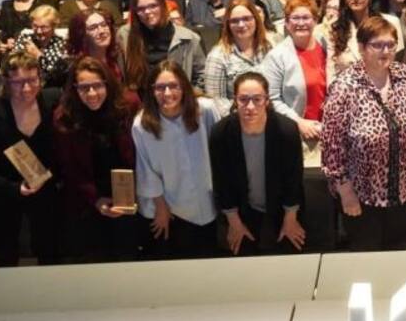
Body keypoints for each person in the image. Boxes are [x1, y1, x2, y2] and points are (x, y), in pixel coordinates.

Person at [322, 16, 406, 251]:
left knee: (402, 250)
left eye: (390, 44)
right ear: (362, 48)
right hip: (363, 196)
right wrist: (345, 191)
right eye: (377, 45)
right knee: (368, 257)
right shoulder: (344, 86)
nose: (385, 51)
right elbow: (332, 145)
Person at [0, 54, 62, 266]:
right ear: (6, 81)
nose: (26, 88)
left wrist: (54, 174)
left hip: (46, 191)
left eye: (32, 80)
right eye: (18, 82)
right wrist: (13, 188)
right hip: (3, 195)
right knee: (6, 255)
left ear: (40, 77)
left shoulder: (52, 103)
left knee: (50, 252)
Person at [52, 56, 143, 261]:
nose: (92, 93)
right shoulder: (64, 117)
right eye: (84, 88)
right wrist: (96, 200)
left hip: (129, 198)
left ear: (107, 84)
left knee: (128, 260)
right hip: (86, 201)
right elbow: (69, 169)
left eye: (97, 86)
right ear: (74, 89)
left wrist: (136, 195)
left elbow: (142, 155)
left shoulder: (129, 105)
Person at [210, 72, 307, 256]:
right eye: (243, 99)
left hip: (282, 209)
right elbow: (221, 182)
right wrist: (234, 222)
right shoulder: (221, 132)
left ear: (267, 101)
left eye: (257, 99)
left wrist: (290, 218)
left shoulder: (286, 130)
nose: (250, 107)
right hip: (240, 211)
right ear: (235, 100)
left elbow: (293, 179)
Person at [132, 61, 221, 259]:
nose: (167, 93)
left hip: (207, 201)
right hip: (170, 208)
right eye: (160, 87)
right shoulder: (143, 124)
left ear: (184, 86)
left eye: (173, 86)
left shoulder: (204, 110)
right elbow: (146, 171)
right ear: (151, 91)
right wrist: (161, 207)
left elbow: (220, 152)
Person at [262, 0, 327, 145]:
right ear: (286, 23)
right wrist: (298, 122)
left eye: (306, 18)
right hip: (297, 135)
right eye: (295, 18)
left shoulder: (326, 47)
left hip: (330, 131)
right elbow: (271, 98)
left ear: (315, 21)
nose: (301, 23)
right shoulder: (277, 56)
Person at [120, 0, 206, 92]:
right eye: (141, 9)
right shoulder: (125, 35)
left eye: (153, 6)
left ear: (163, 5)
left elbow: (201, 76)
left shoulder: (189, 38)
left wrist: (189, 98)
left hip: (176, 98)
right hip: (140, 98)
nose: (147, 12)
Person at [204, 0, 273, 113]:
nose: (241, 25)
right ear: (228, 24)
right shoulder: (217, 56)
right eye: (235, 21)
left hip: (269, 114)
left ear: (256, 19)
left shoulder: (269, 48)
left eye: (246, 19)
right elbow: (217, 101)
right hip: (236, 118)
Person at [13, 4, 67, 86]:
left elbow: (55, 74)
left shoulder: (61, 44)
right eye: (35, 26)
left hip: (51, 86)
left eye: (44, 27)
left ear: (54, 26)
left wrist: (38, 56)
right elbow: (15, 65)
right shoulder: (25, 39)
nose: (39, 31)